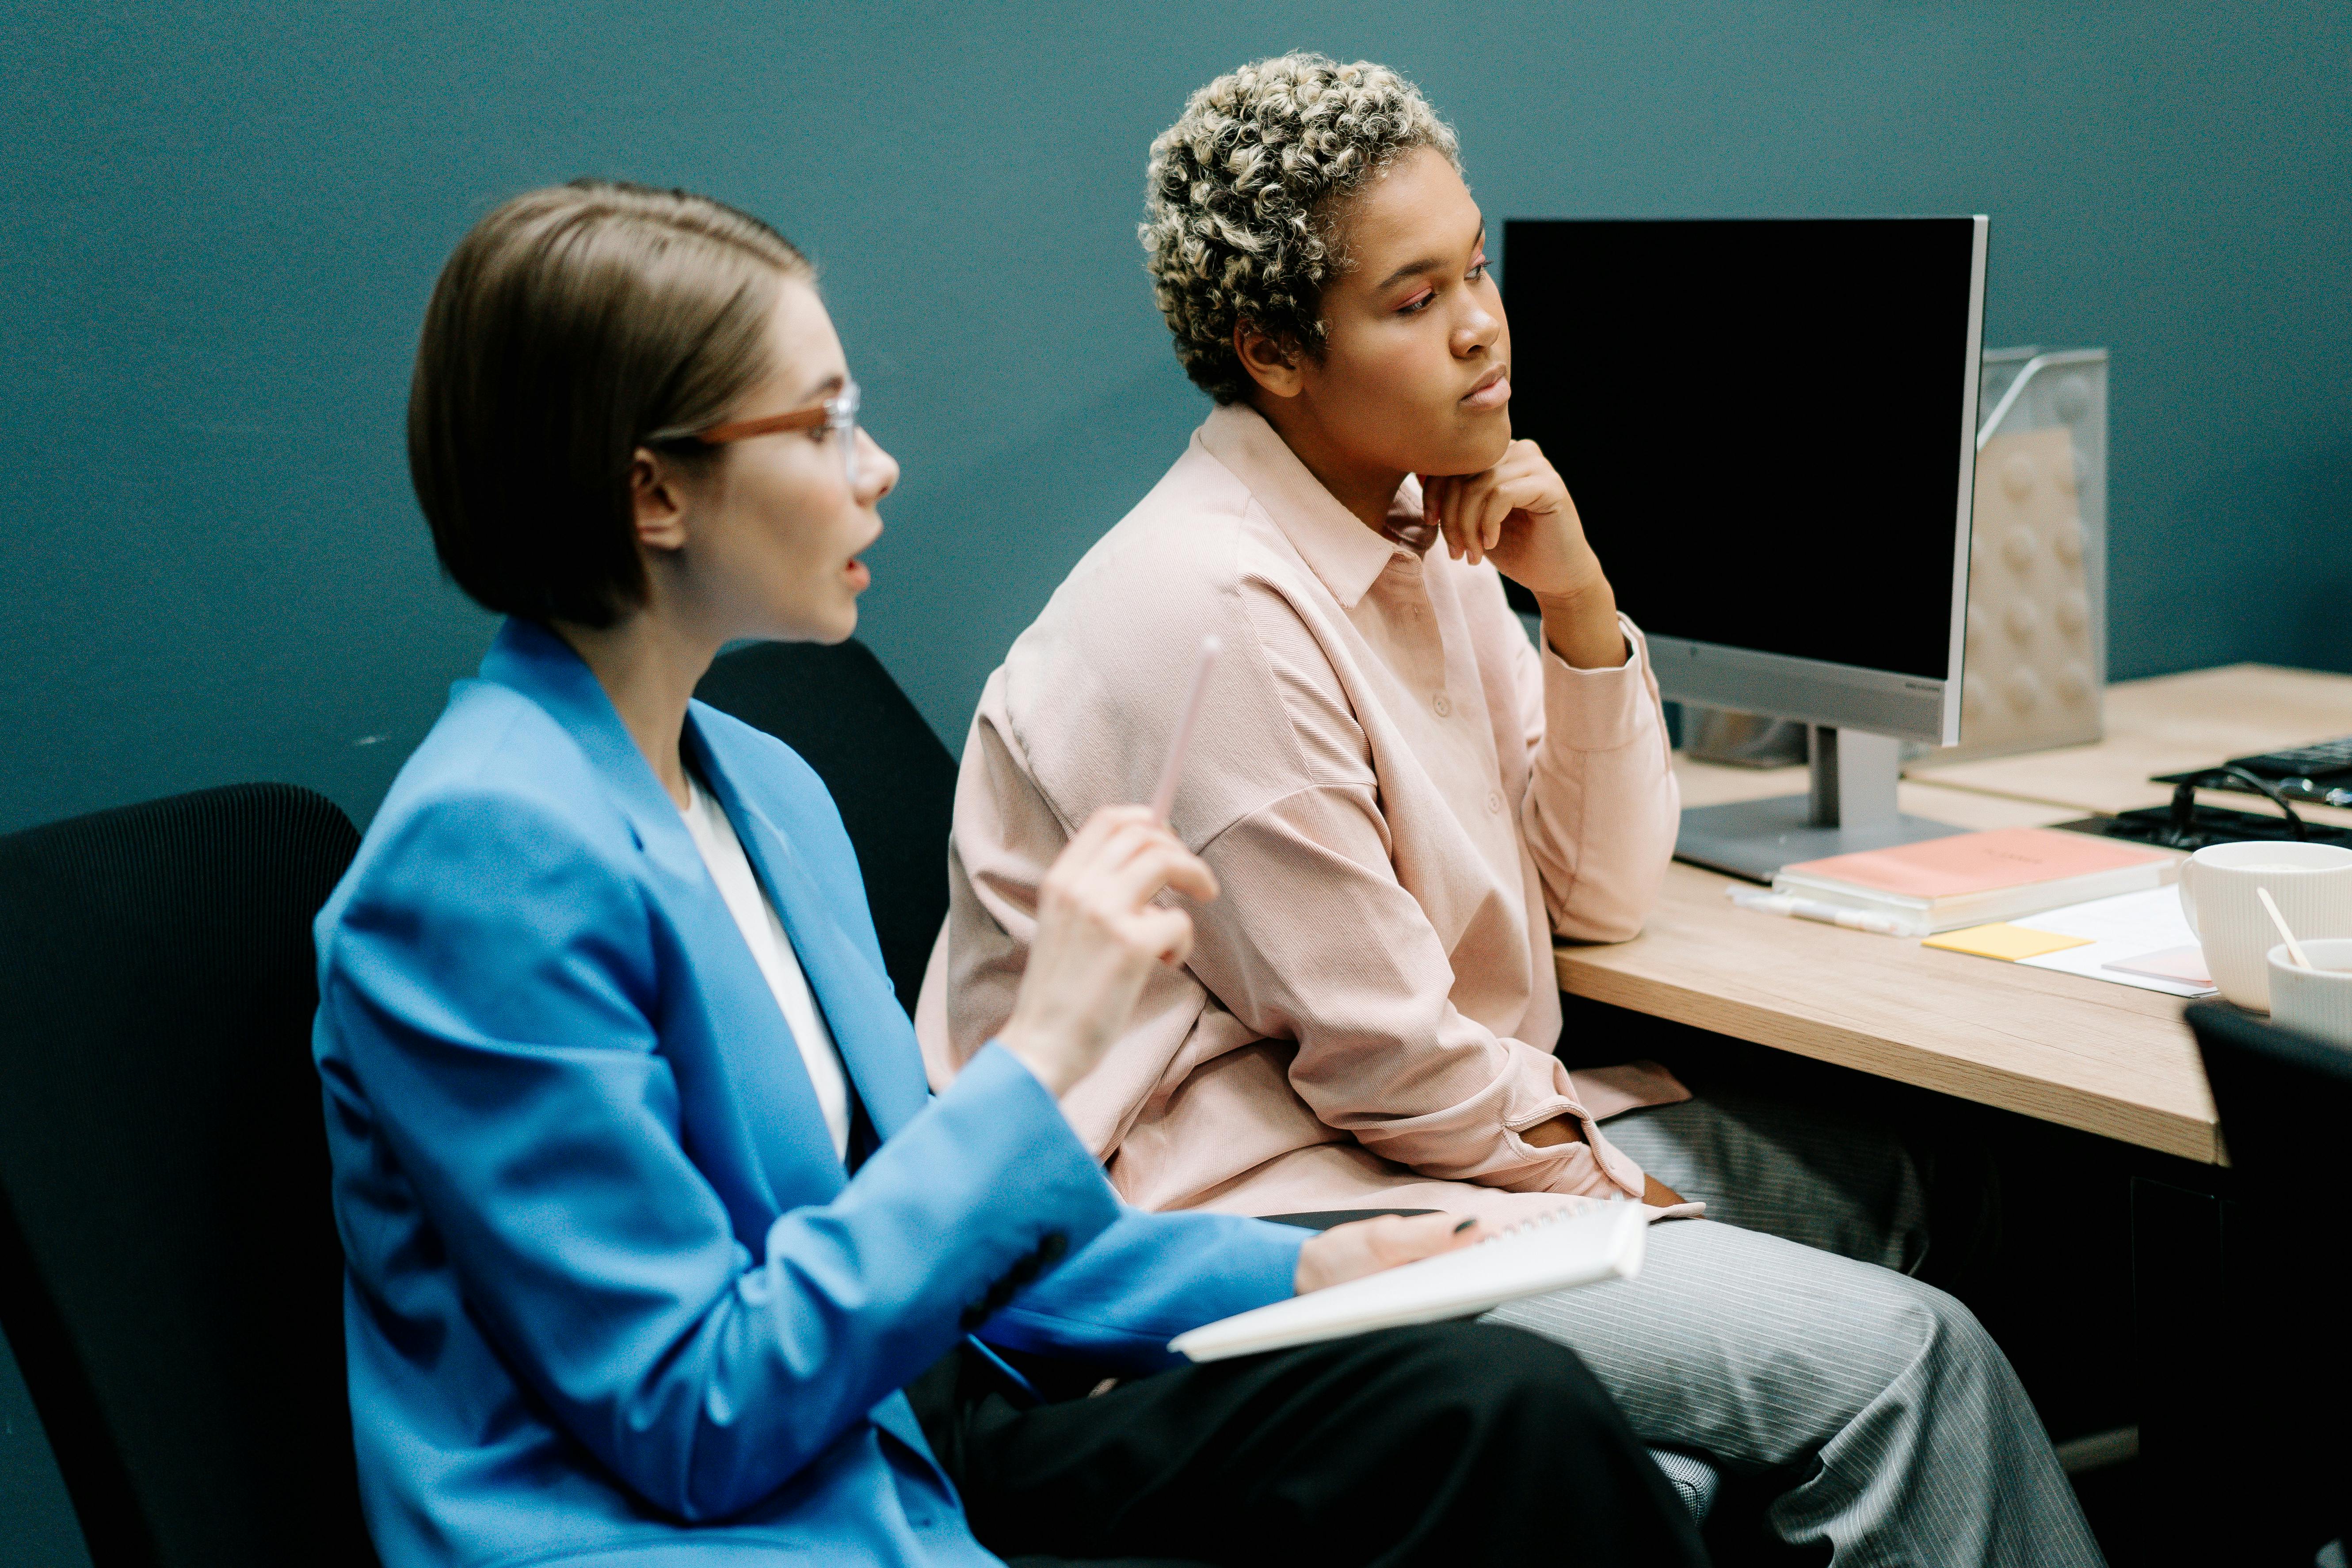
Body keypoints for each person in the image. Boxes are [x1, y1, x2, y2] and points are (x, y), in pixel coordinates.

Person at [311, 179, 1709, 1568]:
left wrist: (1309, 1264)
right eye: (821, 426)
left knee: (1498, 1409)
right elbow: (695, 1415)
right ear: (652, 491)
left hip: (889, 1437)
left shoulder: (763, 787)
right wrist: (1041, 1057)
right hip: (713, 1521)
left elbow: (952, 1237)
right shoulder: (483, 861)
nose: (877, 468)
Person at [918, 55, 2105, 1567]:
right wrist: (1624, 1203)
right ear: (1272, 351)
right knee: (1899, 1358)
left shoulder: (1421, 517)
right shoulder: (1213, 617)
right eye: (1412, 301)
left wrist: (1583, 607)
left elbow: (1599, 893)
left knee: (1945, 1189)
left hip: (1418, 1138)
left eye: (1473, 267)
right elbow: (1386, 1068)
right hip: (1260, 1214)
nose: (1483, 326)